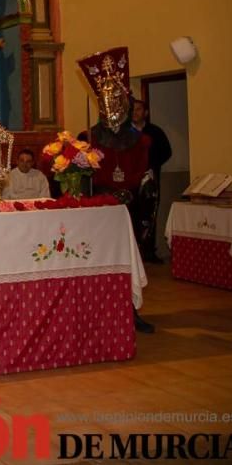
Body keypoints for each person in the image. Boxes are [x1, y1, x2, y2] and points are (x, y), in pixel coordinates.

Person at [78, 47, 155, 334]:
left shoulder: (139, 139)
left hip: (130, 205)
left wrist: (130, 193)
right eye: (106, 97)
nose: (112, 102)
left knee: (130, 259)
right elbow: (88, 174)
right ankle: (102, 310)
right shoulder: (93, 136)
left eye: (117, 97)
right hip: (101, 206)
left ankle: (132, 309)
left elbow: (142, 173)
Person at [131, 99, 171, 262]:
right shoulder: (124, 133)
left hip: (151, 179)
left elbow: (166, 152)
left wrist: (152, 166)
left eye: (139, 109)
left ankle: (149, 251)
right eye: (132, 109)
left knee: (150, 213)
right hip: (131, 180)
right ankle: (133, 251)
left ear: (145, 112)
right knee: (133, 213)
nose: (135, 112)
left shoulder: (155, 132)